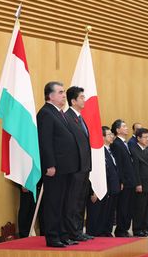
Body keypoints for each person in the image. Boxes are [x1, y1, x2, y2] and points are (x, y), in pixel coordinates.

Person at [37, 81, 80, 247]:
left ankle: (62, 234)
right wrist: (49, 165)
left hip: (66, 167)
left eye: (63, 92)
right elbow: (45, 142)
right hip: (55, 168)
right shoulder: (46, 113)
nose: (64, 95)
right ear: (50, 95)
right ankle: (53, 237)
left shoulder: (60, 113)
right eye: (61, 92)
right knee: (54, 202)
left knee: (63, 202)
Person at [64, 86, 93, 241]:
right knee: (72, 201)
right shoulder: (67, 117)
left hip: (84, 167)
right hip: (74, 168)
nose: (84, 99)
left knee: (81, 200)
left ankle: (79, 230)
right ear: (73, 100)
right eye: (82, 97)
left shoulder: (80, 118)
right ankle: (71, 232)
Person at [86, 126, 121, 237]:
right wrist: (93, 191)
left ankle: (106, 231)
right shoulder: (97, 152)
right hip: (99, 187)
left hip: (111, 187)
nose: (112, 136)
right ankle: (95, 233)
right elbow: (93, 172)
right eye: (109, 134)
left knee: (109, 212)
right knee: (96, 213)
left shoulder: (111, 150)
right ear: (102, 137)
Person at [110, 119, 138, 237]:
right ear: (117, 130)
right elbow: (119, 165)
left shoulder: (124, 143)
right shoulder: (116, 144)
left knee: (129, 207)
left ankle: (125, 228)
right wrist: (121, 180)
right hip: (125, 181)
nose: (127, 128)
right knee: (123, 207)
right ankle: (120, 230)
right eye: (124, 126)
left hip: (131, 180)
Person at [130, 128, 148, 237]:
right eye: (144, 137)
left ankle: (145, 227)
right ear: (138, 138)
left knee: (147, 207)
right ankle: (138, 229)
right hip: (141, 184)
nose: (147, 139)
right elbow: (135, 169)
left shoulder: (147, 149)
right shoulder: (134, 150)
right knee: (140, 208)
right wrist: (138, 183)